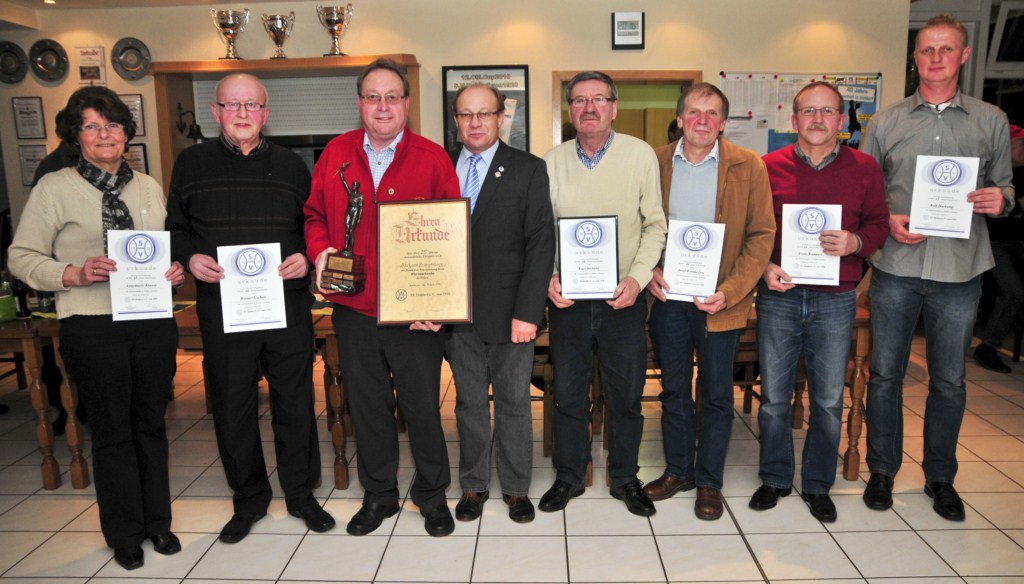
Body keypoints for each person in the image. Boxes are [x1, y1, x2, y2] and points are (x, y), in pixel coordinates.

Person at [9, 85, 185, 570]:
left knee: (150, 424)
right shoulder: (54, 188)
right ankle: (124, 532)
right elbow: (21, 257)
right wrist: (72, 273)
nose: (104, 134)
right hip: (91, 324)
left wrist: (175, 270)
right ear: (76, 136)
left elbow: (162, 250)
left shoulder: (148, 186)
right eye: (91, 126)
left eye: (112, 125)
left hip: (150, 323)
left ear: (127, 132)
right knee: (112, 430)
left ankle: (158, 523)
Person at [166, 73, 334, 543]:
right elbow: (175, 228)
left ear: (266, 112)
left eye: (252, 105)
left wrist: (304, 254)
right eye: (232, 105)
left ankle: (301, 495)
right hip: (223, 310)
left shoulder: (292, 166)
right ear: (215, 112)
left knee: (296, 405)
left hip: (286, 308)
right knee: (232, 407)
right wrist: (189, 256)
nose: (242, 114)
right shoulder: (191, 163)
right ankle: (249, 499)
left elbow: (312, 226)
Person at [860, 13, 1015, 521]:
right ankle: (882, 470)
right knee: (885, 375)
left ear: (964, 56)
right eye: (927, 50)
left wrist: (1002, 199)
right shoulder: (885, 123)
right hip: (896, 267)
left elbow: (1005, 187)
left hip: (961, 271)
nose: (936, 59)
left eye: (947, 50)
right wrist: (889, 220)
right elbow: (865, 196)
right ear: (915, 57)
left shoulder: (990, 120)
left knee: (949, 380)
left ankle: (940, 477)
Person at [305, 58, 461, 537]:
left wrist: (440, 305)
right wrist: (319, 251)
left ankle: (432, 495)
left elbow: (452, 237)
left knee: (421, 410)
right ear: (360, 103)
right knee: (368, 408)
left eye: (392, 96)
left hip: (414, 312)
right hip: (353, 310)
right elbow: (313, 216)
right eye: (373, 97)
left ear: (408, 103)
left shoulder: (433, 158)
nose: (383, 106)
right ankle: (380, 496)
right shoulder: (335, 154)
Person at [751, 81, 889, 522]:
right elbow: (751, 232)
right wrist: (761, 269)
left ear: (841, 121)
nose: (817, 119)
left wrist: (856, 242)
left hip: (836, 299)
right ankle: (774, 477)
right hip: (779, 296)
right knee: (774, 396)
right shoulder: (766, 167)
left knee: (828, 398)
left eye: (826, 111)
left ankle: (816, 484)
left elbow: (880, 225)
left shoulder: (865, 167)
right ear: (793, 120)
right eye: (807, 111)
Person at [642, 82, 775, 520]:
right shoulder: (655, 162)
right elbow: (638, 226)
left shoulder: (748, 165)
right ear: (679, 118)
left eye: (712, 113)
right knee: (675, 390)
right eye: (694, 112)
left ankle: (709, 481)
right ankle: (679, 470)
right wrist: (649, 272)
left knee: (717, 394)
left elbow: (761, 236)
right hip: (669, 300)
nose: (702, 121)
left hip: (723, 301)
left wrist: (731, 292)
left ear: (723, 121)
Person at [541, 71, 667, 518]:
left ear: (614, 106)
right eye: (579, 100)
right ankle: (569, 477)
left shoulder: (640, 156)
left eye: (598, 99)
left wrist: (635, 279)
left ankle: (626, 477)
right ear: (569, 109)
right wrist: (549, 278)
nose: (589, 107)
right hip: (569, 303)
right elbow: (541, 233)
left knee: (626, 395)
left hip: (624, 301)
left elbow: (655, 225)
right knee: (569, 395)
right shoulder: (551, 162)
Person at [445, 83, 555, 524]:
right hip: (455, 313)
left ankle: (515, 489)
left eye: (484, 114)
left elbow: (540, 243)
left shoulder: (528, 169)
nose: (475, 123)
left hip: (513, 315)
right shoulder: (439, 166)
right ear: (456, 121)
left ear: (499, 118)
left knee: (512, 403)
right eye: (466, 115)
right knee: (468, 404)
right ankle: (473, 486)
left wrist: (528, 312)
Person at [973, 123, 1024, 373]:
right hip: (994, 244)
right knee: (1014, 292)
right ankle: (988, 347)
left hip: (1018, 243)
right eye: (1021, 144)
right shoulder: (990, 174)